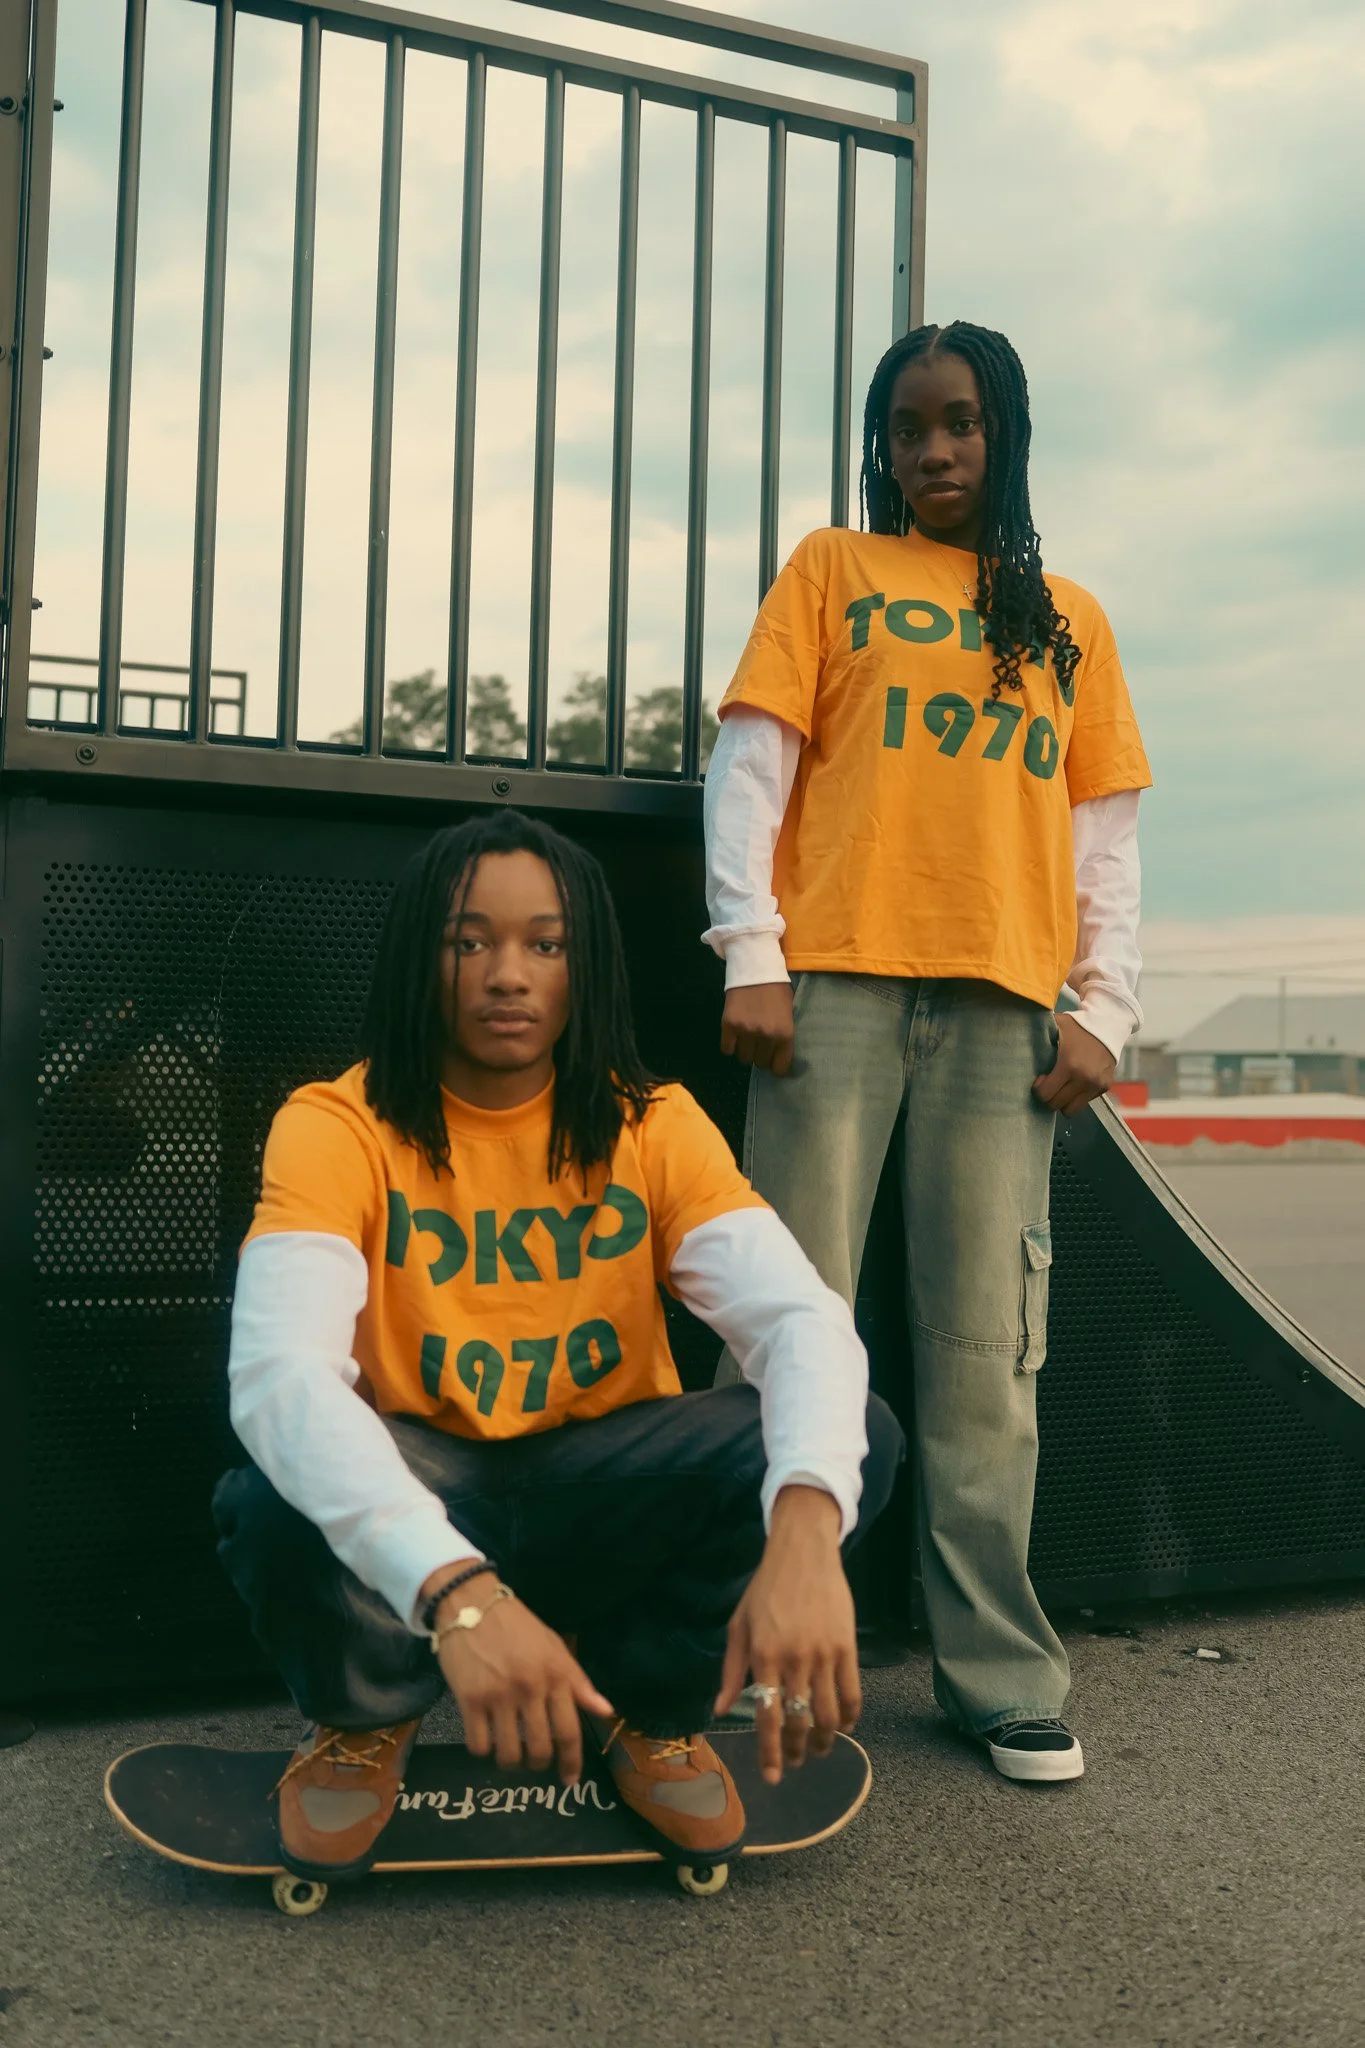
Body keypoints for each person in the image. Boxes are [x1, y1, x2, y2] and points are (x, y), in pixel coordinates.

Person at [213, 809, 901, 1879]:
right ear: (421, 958)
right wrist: (459, 1593)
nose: (506, 974)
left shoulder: (652, 1122)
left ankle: (644, 1707)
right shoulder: (335, 1122)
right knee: (274, 1482)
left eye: (546, 943)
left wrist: (809, 1531)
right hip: (431, 1482)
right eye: (468, 939)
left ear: (586, 968)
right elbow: (280, 1376)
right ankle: (364, 1711)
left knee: (846, 1433)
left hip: (603, 1480)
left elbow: (799, 1320)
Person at [703, 320, 1151, 1784]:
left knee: (982, 1351)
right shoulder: (832, 571)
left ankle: (997, 1675)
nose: (934, 452)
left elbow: (1105, 839)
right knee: (780, 1323)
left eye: (959, 423)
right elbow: (753, 762)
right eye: (908, 428)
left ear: (1004, 432)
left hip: (1001, 1008)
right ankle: (736, 1650)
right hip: (827, 985)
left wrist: (1104, 1006)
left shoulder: (1066, 616)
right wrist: (751, 954)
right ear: (880, 446)